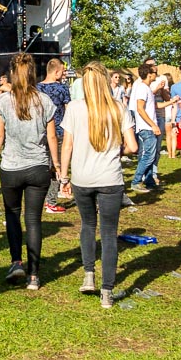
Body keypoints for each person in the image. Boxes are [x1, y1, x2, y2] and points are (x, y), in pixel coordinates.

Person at [59, 62, 137, 308]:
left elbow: (67, 146)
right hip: (110, 178)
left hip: (82, 178)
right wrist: (117, 151)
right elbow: (133, 146)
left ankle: (88, 275)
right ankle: (107, 292)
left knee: (87, 225)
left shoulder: (74, 108)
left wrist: (63, 177)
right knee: (109, 233)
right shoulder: (118, 107)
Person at [0, 54, 58, 290]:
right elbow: (51, 137)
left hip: (12, 167)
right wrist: (57, 166)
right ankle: (34, 275)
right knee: (33, 220)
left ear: (12, 74)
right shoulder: (44, 100)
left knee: (12, 215)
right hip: (38, 167)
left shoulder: (4, 101)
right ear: (33, 73)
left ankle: (16, 262)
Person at [36, 58, 70, 212]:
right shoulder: (62, 89)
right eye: (63, 71)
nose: (64, 74)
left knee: (42, 166)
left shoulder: (37, 89)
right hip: (59, 132)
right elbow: (68, 111)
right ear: (56, 72)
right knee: (57, 167)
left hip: (40, 133)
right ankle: (51, 201)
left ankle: (40, 198)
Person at [129, 63, 161, 193]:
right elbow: (140, 109)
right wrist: (153, 125)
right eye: (155, 73)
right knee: (148, 156)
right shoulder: (142, 88)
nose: (156, 75)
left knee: (150, 156)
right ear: (149, 74)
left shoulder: (147, 88)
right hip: (146, 128)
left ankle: (149, 182)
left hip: (148, 127)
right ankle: (136, 181)